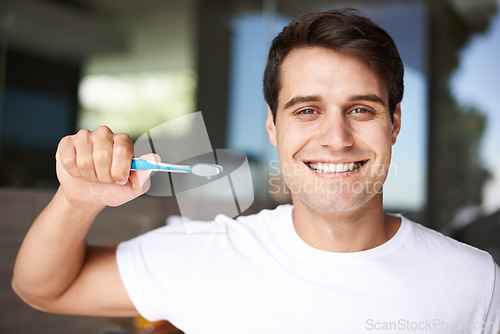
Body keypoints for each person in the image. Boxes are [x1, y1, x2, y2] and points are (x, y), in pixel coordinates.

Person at [12, 8, 499, 333]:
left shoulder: (475, 282)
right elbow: (43, 288)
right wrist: (78, 199)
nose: (336, 137)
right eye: (307, 110)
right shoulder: (202, 255)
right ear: (273, 126)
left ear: (394, 124)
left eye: (361, 110)